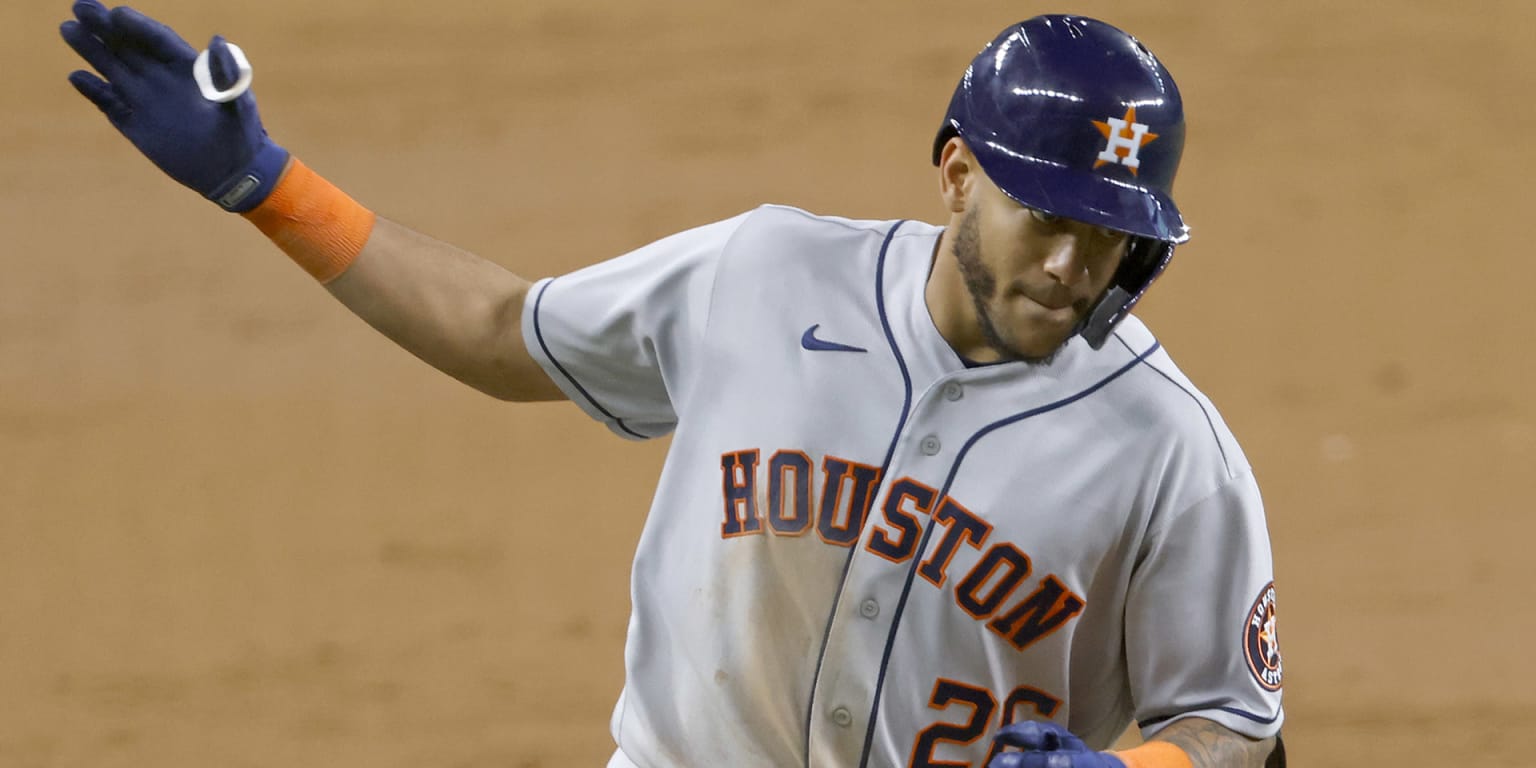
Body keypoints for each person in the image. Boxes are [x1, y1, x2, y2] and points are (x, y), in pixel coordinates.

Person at [60, 3, 1285, 766]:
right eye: (1047, 215)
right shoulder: (766, 274)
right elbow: (502, 332)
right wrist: (269, 188)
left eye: (1113, 235)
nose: (1076, 264)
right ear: (960, 174)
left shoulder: (1171, 451)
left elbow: (1236, 724)